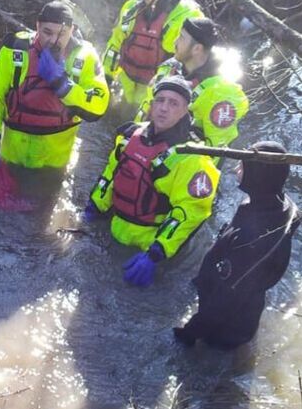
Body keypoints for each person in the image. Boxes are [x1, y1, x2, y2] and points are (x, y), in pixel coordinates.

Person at [85, 76, 221, 287]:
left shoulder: (193, 159)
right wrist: (94, 207)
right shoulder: (132, 134)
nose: (164, 108)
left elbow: (190, 213)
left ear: (186, 110)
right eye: (160, 100)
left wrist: (157, 253)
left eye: (173, 103)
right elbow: (110, 174)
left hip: (149, 247)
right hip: (115, 228)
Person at [175, 141, 301, 348]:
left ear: (258, 175)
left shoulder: (252, 241)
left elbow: (227, 298)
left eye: (243, 167)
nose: (235, 170)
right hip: (243, 302)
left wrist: (190, 332)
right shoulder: (279, 204)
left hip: (226, 330)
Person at [0, 0, 110, 170]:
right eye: (47, 32)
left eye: (61, 34)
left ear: (72, 30)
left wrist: (63, 85)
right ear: (37, 26)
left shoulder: (85, 57)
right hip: (13, 155)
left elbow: (99, 106)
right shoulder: (15, 49)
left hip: (54, 161)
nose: (53, 40)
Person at [102, 0, 204, 111]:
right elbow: (115, 45)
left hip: (159, 90)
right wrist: (106, 77)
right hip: (126, 80)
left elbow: (194, 64)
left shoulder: (188, 15)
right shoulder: (131, 7)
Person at [149, 16, 249, 148]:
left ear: (197, 49)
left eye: (181, 37)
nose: (175, 41)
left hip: (175, 164)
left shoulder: (221, 93)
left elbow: (213, 152)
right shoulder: (170, 67)